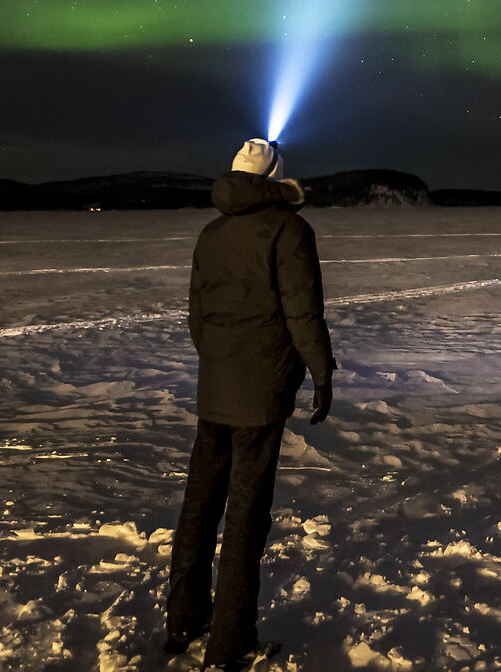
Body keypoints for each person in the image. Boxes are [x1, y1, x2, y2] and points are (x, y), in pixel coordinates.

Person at [161, 137, 335, 668]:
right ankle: (230, 641)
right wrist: (321, 372)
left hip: (216, 385)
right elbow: (303, 312)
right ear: (275, 178)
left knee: (199, 506)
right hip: (258, 393)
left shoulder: (211, 233)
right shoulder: (289, 230)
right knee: (244, 515)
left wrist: (219, 361)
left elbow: (197, 315)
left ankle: (185, 619)